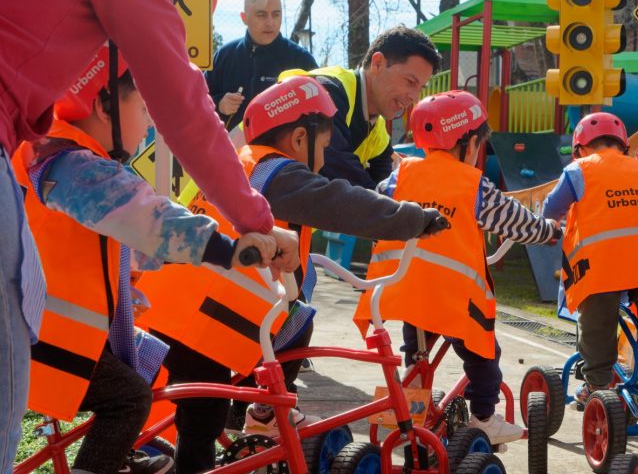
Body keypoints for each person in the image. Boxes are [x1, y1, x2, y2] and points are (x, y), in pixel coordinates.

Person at [0, 0, 285, 467]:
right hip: (55, 344)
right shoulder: (69, 160)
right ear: (105, 101)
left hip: (67, 335)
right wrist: (239, 238)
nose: (151, 126)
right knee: (125, 396)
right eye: (141, 108)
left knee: (150, 364)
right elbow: (147, 210)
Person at [138, 75, 445, 474]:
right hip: (204, 321)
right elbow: (343, 203)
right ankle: (262, 415)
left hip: (170, 309)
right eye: (325, 143)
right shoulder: (277, 173)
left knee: (205, 412)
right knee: (292, 326)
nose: (326, 154)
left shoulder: (239, 162)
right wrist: (414, 219)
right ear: (300, 138)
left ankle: (253, 415)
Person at [353, 90, 562, 445]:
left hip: (401, 291)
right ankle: (483, 416)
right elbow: (518, 222)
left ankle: (411, 411)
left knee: (416, 351)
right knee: (484, 354)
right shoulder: (473, 184)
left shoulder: (398, 177)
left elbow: (374, 211)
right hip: (454, 299)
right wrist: (550, 232)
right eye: (480, 145)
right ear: (466, 142)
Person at [541, 112, 638, 406]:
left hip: (600, 271)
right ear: (623, 146)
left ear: (581, 149)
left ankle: (597, 385)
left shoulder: (578, 171)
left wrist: (548, 229)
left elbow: (551, 210)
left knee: (597, 329)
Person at [282, 25, 441, 189]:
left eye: (420, 88)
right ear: (377, 63)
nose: (414, 98)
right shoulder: (324, 90)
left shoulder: (376, 128)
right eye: (410, 82)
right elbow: (338, 172)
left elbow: (383, 188)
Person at [205, 0, 319, 131]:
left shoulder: (300, 60)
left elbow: (320, 115)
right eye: (262, 15)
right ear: (244, 18)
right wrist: (219, 104)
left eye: (276, 14)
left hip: (284, 153)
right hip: (231, 152)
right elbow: (196, 103)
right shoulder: (224, 56)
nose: (270, 23)